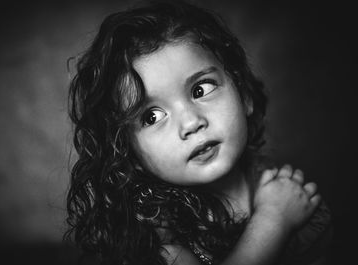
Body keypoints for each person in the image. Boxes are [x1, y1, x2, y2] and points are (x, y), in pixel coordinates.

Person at [64, 0, 332, 264]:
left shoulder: (278, 188)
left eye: (201, 89)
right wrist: (272, 220)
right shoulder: (158, 242)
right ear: (127, 150)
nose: (192, 123)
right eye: (152, 116)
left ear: (244, 94)